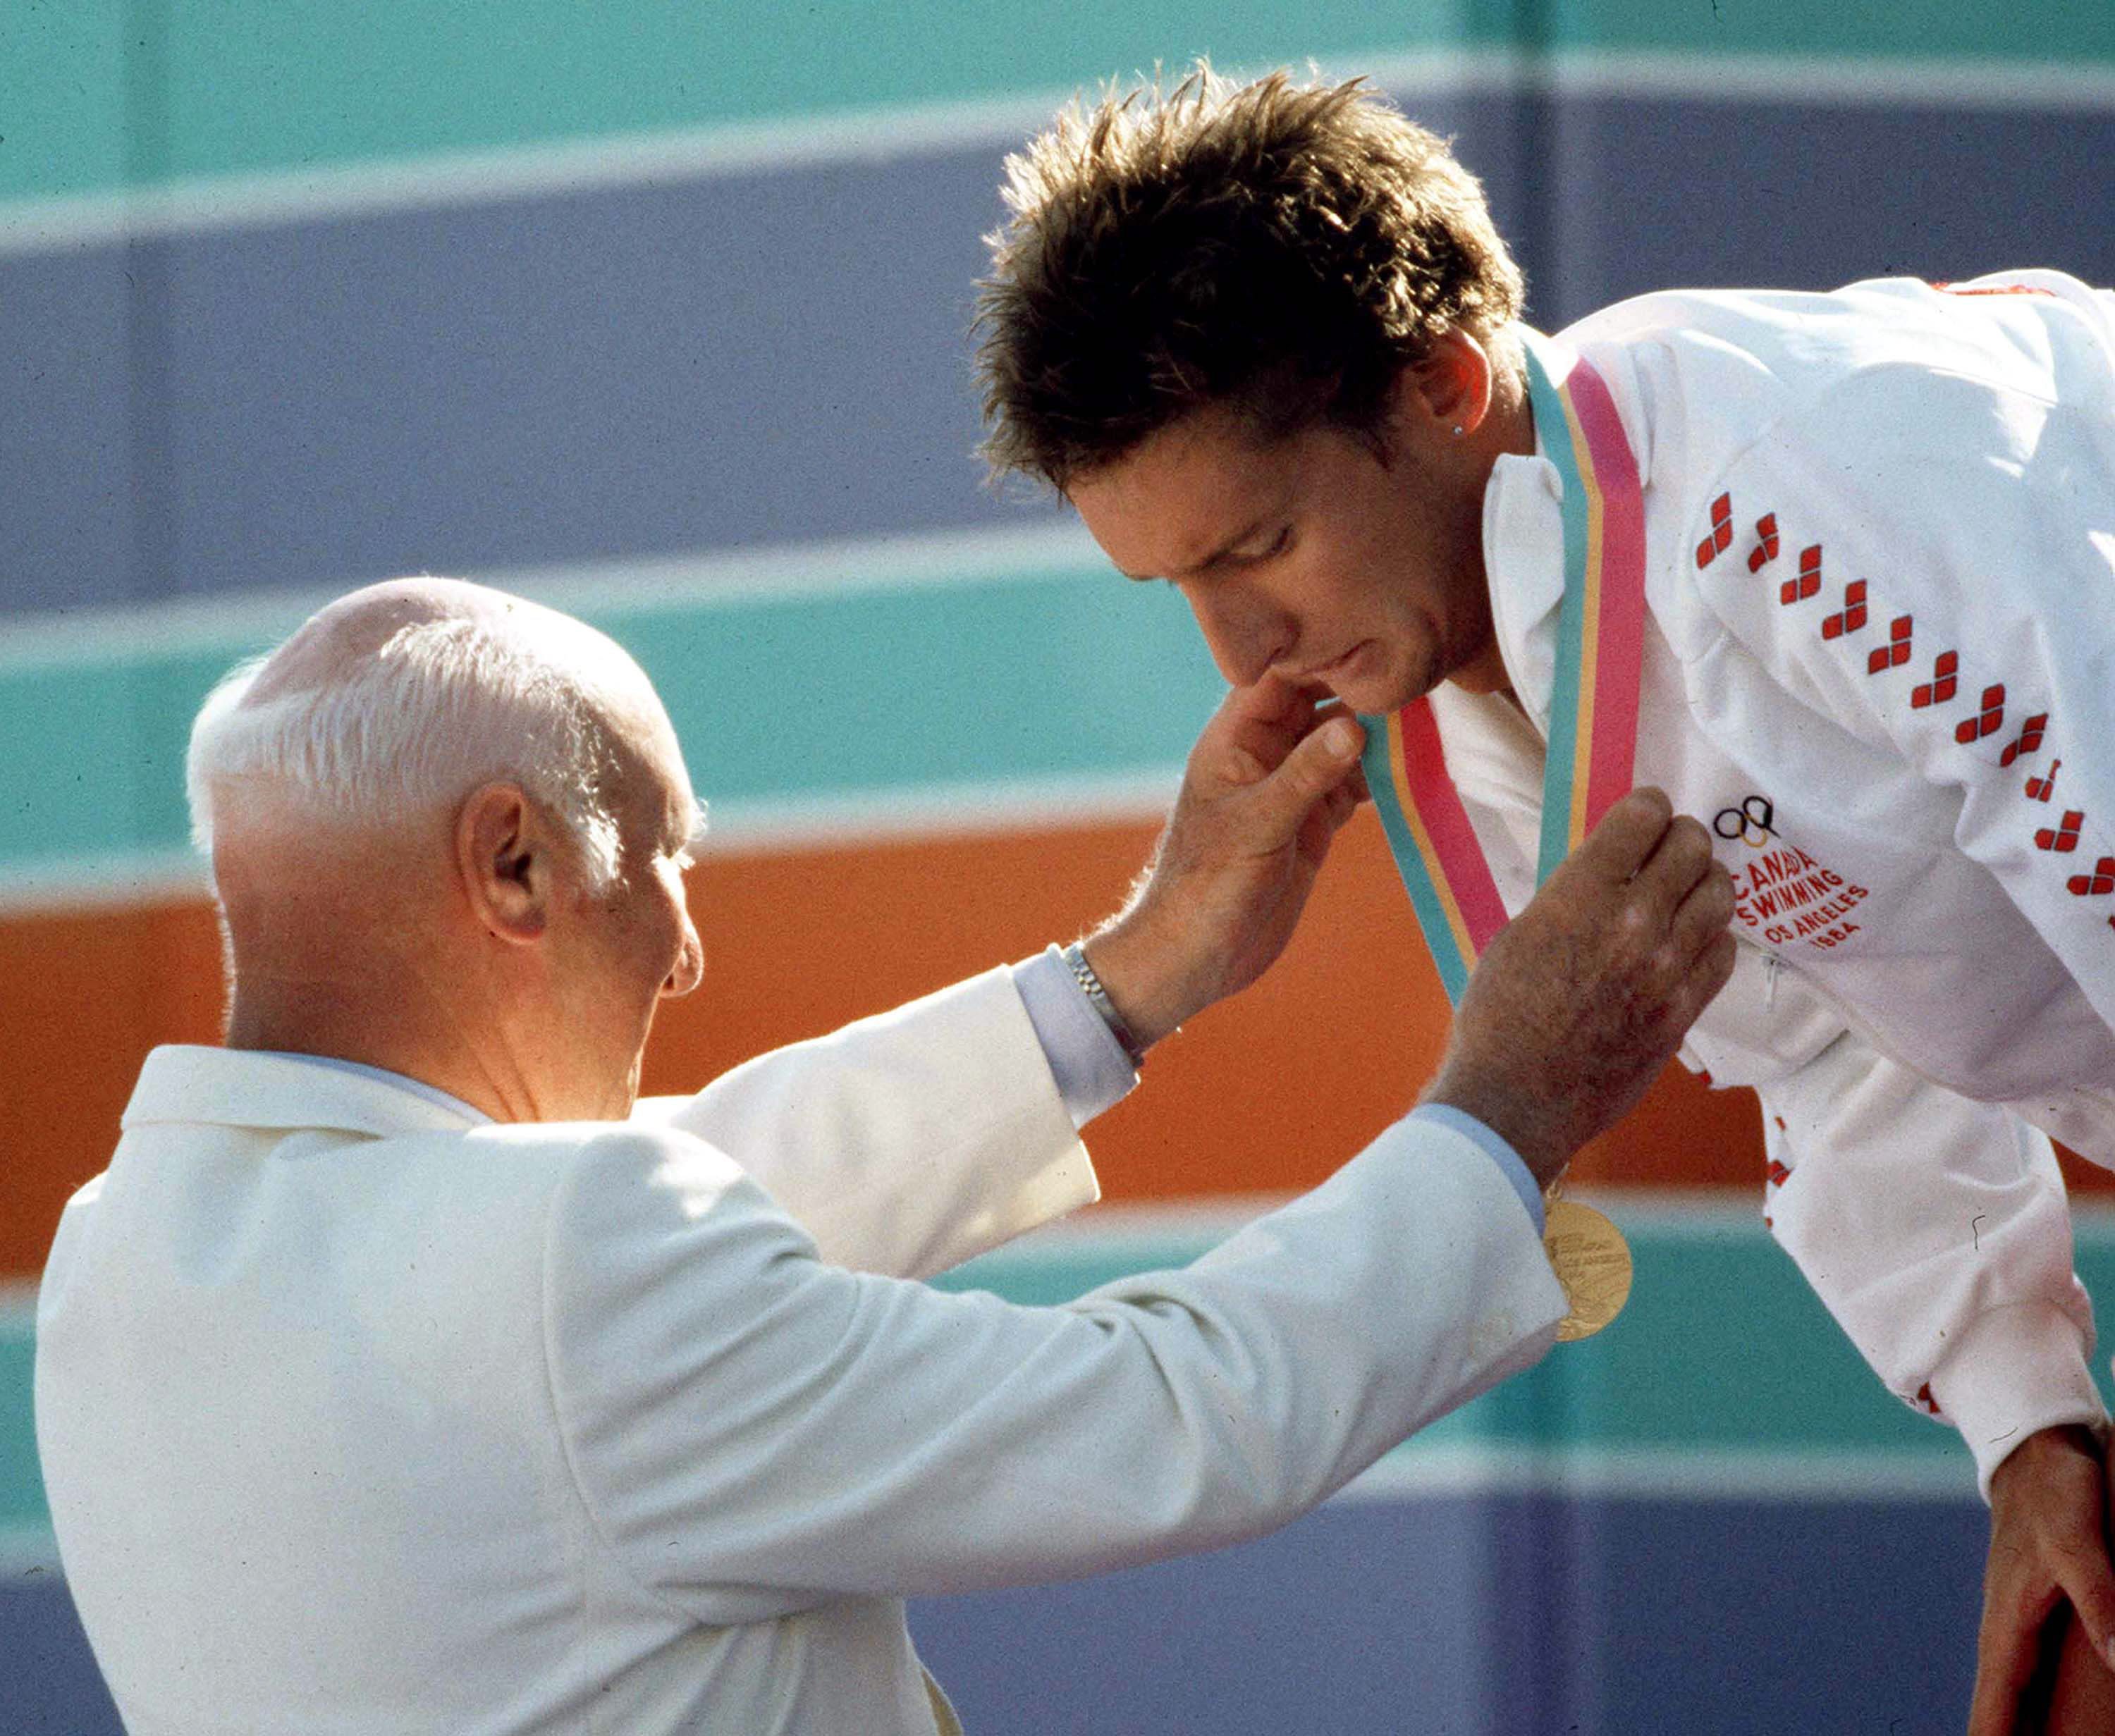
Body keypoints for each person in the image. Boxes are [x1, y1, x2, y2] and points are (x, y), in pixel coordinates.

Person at [33, 577, 1734, 1735]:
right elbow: (1166, 1416)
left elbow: (650, 1216)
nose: (686, 948)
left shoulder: (124, 1257)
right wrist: (1507, 1106)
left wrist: (1132, 975)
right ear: (515, 861)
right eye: (666, 859)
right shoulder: (565, 1270)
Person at [971, 66, 2115, 1734]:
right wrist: (2032, 1426)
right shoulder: (1474, 686)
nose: (1240, 652)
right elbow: (1836, 1031)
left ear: (1440, 381)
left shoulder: (1804, 482)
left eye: (1261, 544)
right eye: (1177, 587)